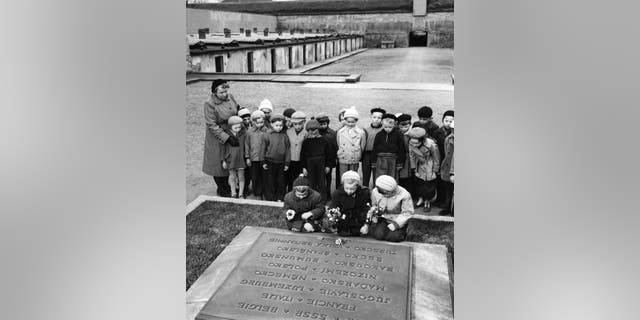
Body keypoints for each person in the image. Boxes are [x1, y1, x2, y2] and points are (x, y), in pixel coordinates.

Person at [202, 79, 240, 197]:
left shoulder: (230, 97)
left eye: (225, 91)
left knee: (230, 160)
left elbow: (236, 109)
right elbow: (211, 125)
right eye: (221, 93)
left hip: (231, 130)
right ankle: (222, 188)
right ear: (214, 92)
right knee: (218, 164)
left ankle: (231, 185)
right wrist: (226, 137)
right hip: (217, 136)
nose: (224, 94)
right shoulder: (209, 104)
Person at [362, 175, 414, 242]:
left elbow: (407, 213)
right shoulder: (375, 192)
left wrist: (396, 224)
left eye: (387, 192)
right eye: (381, 192)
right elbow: (374, 205)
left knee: (394, 237)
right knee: (378, 235)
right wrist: (375, 214)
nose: (385, 195)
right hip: (383, 218)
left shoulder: (404, 195)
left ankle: (402, 230)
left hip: (397, 219)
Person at [328, 171, 371, 237]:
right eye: (346, 188)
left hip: (359, 222)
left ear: (357, 186)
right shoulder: (337, 193)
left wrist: (366, 225)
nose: (349, 191)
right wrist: (333, 219)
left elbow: (367, 210)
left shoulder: (364, 193)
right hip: (343, 222)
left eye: (352, 189)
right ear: (343, 185)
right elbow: (332, 208)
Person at [407, 127, 440, 212]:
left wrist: (435, 169)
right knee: (419, 183)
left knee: (429, 184)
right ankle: (420, 198)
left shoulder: (431, 144)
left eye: (416, 143)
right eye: (412, 143)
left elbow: (436, 157)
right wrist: (413, 168)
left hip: (430, 165)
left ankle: (427, 201)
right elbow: (412, 155)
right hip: (419, 165)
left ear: (422, 140)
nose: (414, 145)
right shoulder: (411, 143)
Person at [300, 119, 332, 201]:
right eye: (309, 130)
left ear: (318, 129)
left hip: (321, 162)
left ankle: (322, 199)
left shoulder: (324, 140)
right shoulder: (306, 142)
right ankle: (311, 199)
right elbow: (302, 155)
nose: (312, 132)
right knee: (311, 182)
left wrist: (328, 165)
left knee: (321, 182)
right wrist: (304, 167)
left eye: (314, 130)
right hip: (310, 163)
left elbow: (328, 154)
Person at [262, 114, 290, 201]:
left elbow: (288, 150)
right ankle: (270, 197)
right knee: (270, 181)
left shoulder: (285, 136)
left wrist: (287, 163)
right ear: (272, 124)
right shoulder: (267, 135)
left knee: (281, 181)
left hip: (281, 162)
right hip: (270, 161)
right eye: (276, 125)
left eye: (281, 125)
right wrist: (263, 161)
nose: (279, 127)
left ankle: (280, 197)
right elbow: (263, 148)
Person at [372, 113, 406, 181]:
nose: (387, 129)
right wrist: (374, 162)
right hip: (380, 160)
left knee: (392, 179)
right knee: (381, 178)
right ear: (382, 124)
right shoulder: (379, 135)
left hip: (393, 160)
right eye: (385, 127)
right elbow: (374, 148)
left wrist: (399, 163)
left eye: (390, 127)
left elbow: (401, 149)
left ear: (394, 124)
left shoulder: (398, 135)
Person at [245, 110, 269, 200]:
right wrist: (247, 157)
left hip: (264, 159)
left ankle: (265, 191)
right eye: (258, 123)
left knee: (265, 175)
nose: (260, 124)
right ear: (253, 122)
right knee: (255, 176)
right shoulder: (249, 132)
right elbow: (247, 145)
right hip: (253, 158)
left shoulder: (267, 131)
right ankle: (257, 192)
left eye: (262, 122)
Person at [432, 110, 454, 208]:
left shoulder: (453, 133)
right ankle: (439, 199)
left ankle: (446, 203)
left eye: (451, 121)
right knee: (439, 182)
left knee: (447, 182)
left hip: (449, 160)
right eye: (446, 120)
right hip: (439, 159)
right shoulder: (437, 132)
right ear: (442, 120)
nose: (448, 123)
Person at [222, 116, 247, 198]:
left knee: (241, 177)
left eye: (239, 127)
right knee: (232, 176)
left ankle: (241, 193)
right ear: (230, 127)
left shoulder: (243, 134)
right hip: (230, 159)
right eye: (235, 127)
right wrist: (223, 160)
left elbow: (246, 146)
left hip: (240, 159)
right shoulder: (226, 136)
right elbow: (223, 149)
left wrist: (247, 157)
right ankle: (233, 193)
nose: (238, 129)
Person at [336, 107, 366, 176]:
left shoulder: (361, 132)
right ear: (345, 120)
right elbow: (339, 144)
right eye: (348, 122)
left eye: (353, 122)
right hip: (343, 157)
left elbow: (362, 146)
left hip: (354, 158)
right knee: (343, 177)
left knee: (353, 177)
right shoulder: (340, 132)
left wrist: (358, 155)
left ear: (356, 121)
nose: (350, 124)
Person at [316, 112, 338, 200]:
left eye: (324, 124)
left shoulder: (332, 133)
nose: (322, 126)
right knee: (319, 177)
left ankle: (328, 194)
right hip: (319, 159)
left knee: (328, 177)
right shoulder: (316, 132)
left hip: (329, 159)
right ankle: (320, 194)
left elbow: (335, 146)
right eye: (320, 124)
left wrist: (334, 158)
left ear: (328, 123)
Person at [362, 107, 386, 189]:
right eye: (374, 117)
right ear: (371, 117)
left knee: (377, 175)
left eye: (379, 118)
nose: (376, 119)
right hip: (367, 155)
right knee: (365, 175)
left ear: (382, 119)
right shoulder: (365, 130)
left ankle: (376, 192)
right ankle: (365, 194)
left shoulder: (384, 130)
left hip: (378, 155)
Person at [286, 111, 307, 191]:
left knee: (300, 179)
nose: (297, 126)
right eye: (295, 124)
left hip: (301, 160)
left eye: (300, 124)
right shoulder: (288, 132)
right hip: (290, 160)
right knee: (290, 179)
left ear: (304, 122)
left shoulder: (306, 133)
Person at [439, 119, 454, 216]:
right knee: (448, 189)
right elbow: (446, 154)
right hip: (447, 167)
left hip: (454, 168)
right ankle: (447, 207)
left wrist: (453, 172)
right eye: (452, 130)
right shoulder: (449, 138)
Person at [396, 113, 414, 197]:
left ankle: (410, 196)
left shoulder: (412, 134)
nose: (404, 129)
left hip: (410, 159)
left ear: (410, 125)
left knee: (410, 179)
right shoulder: (397, 134)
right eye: (401, 127)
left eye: (406, 127)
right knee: (400, 178)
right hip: (400, 158)